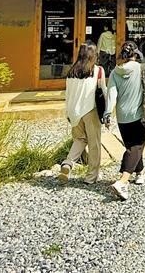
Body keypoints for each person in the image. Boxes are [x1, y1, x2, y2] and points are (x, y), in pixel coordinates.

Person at [107, 41, 145, 200]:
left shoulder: (115, 72)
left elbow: (111, 95)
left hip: (122, 117)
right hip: (139, 114)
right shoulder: (142, 68)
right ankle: (122, 181)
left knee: (132, 147)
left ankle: (140, 172)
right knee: (136, 147)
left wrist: (108, 113)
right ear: (136, 53)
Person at [58, 41, 108, 185]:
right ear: (94, 55)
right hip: (90, 110)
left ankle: (68, 163)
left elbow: (67, 94)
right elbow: (103, 91)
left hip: (73, 111)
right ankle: (91, 177)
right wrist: (107, 112)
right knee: (94, 143)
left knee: (79, 139)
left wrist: (68, 112)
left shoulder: (72, 72)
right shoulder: (97, 70)